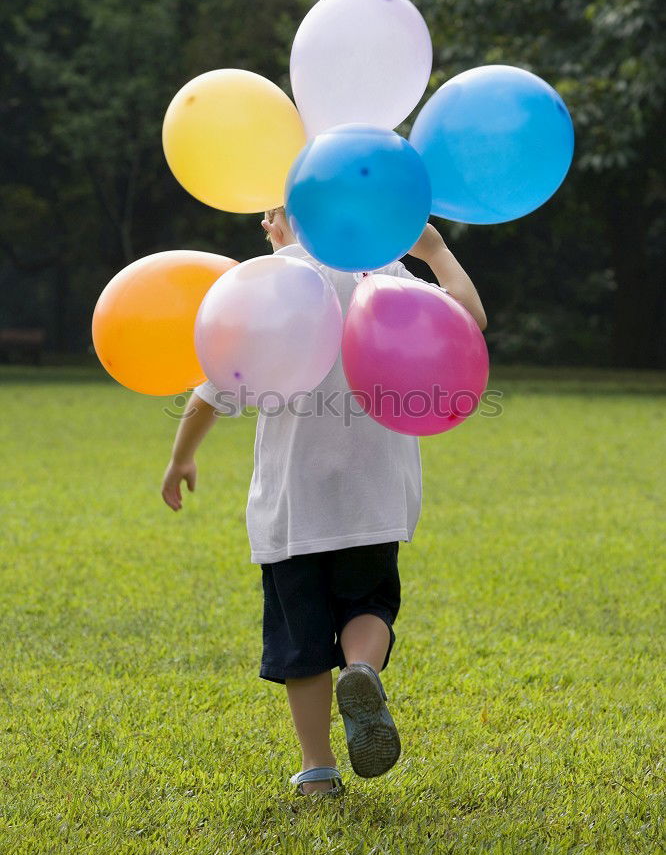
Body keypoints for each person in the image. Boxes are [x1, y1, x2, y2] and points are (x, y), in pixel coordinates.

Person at [162, 207, 487, 796]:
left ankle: (318, 770)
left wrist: (182, 454)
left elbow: (211, 384)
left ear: (299, 210)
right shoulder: (383, 272)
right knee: (368, 603)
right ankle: (362, 671)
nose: (265, 224)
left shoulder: (265, 281)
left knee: (300, 640)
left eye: (272, 211)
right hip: (374, 492)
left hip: (294, 501)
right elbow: (468, 318)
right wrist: (435, 250)